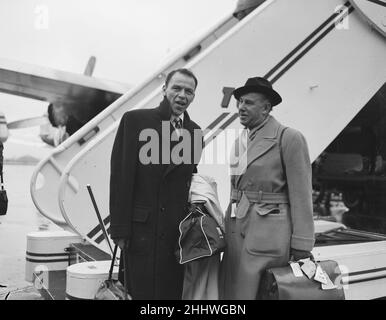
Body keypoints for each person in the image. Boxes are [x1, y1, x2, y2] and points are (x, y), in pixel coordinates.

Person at [109, 68, 203, 300]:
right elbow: (121, 177)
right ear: (164, 89)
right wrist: (120, 229)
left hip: (175, 233)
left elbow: (189, 180)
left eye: (189, 91)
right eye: (177, 88)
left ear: (193, 97)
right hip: (141, 229)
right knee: (139, 292)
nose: (182, 95)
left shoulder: (195, 132)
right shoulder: (135, 121)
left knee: (170, 293)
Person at [219, 77, 315, 300]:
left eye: (249, 103)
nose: (241, 107)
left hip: (268, 233)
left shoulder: (288, 138)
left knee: (261, 292)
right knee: (232, 292)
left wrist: (302, 244)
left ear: (266, 108)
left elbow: (301, 195)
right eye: (240, 102)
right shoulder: (239, 141)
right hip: (237, 229)